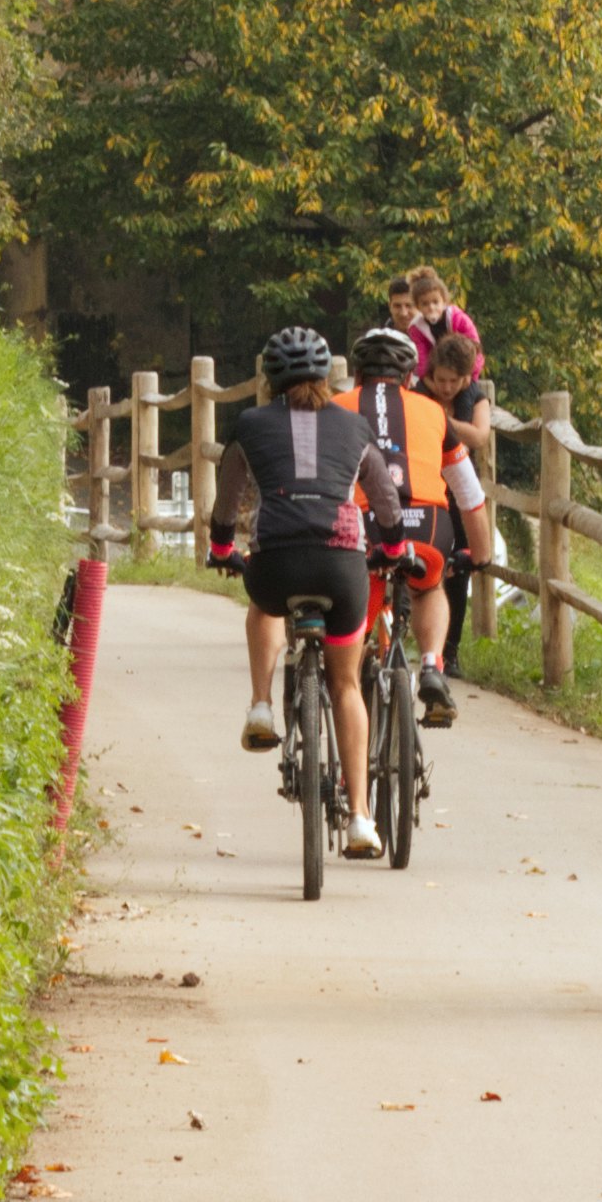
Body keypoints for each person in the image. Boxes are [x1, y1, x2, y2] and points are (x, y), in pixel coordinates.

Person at [209, 323, 405, 858]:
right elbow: (385, 503)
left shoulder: (249, 425)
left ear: (269, 379)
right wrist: (391, 549)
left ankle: (260, 706)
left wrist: (222, 549)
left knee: (263, 607)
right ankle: (362, 818)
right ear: (325, 376)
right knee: (346, 686)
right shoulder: (356, 426)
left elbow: (227, 503)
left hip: (275, 565)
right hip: (342, 570)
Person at [352, 318, 485, 724]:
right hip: (427, 523)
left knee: (355, 625)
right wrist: (477, 557)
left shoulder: (337, 408)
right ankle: (431, 665)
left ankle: (349, 697)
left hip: (367, 526)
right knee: (428, 587)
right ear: (411, 376)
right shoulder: (434, 414)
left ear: (357, 374)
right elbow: (470, 496)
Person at [393, 272, 500, 682]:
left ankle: (448, 651)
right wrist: (454, 426)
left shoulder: (473, 394)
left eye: (454, 383)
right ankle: (406, 640)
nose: (447, 387)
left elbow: (480, 437)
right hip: (421, 485)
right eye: (440, 381)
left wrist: (438, 422)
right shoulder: (419, 390)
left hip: (457, 487)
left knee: (457, 569)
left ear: (466, 378)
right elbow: (462, 432)